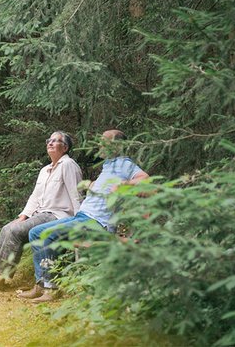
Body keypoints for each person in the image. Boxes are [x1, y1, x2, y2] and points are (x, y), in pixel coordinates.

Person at [17, 129, 149, 303]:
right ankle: (41, 284)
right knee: (35, 232)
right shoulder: (109, 165)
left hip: (96, 223)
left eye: (104, 141)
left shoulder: (124, 163)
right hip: (83, 217)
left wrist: (125, 184)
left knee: (44, 235)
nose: (99, 145)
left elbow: (145, 180)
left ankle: (51, 288)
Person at [0, 131, 83, 293]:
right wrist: (23, 216)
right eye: (49, 140)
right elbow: (35, 196)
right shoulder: (45, 170)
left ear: (65, 147)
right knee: (8, 228)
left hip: (58, 216)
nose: (50, 143)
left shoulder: (69, 165)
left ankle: (0, 278)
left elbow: (76, 195)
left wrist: (79, 223)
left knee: (15, 231)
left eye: (56, 141)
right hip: (41, 214)